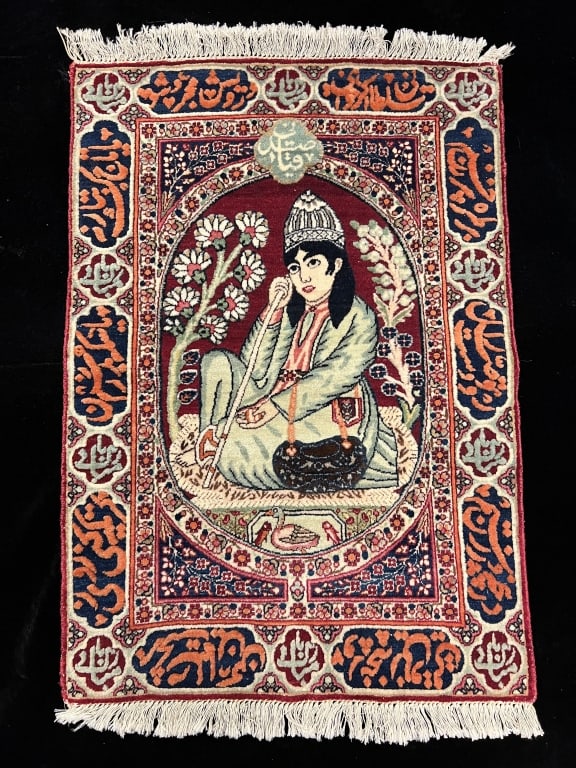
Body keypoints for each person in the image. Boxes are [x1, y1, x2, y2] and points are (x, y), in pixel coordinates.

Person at [195, 189, 398, 491]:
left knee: (236, 449)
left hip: (320, 410)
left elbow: (336, 376)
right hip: (272, 394)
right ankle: (211, 437)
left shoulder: (358, 315)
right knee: (216, 364)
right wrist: (273, 312)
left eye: (313, 262)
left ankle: (224, 447)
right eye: (295, 268)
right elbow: (253, 368)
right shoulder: (293, 310)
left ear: (336, 264)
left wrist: (274, 407)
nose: (304, 277)